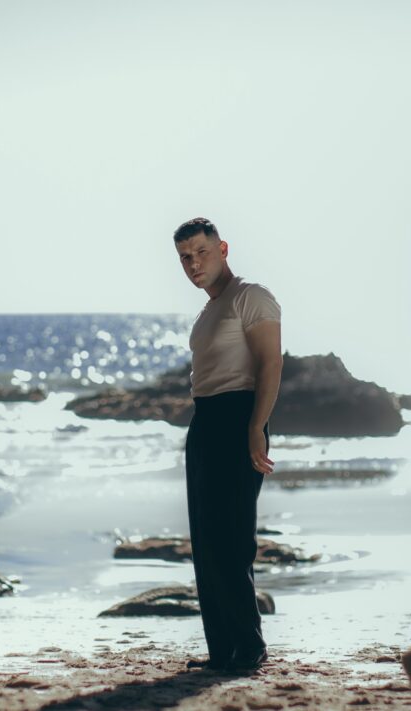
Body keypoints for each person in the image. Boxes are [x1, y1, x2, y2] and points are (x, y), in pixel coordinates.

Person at [173, 217, 283, 673]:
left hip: (239, 419)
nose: (194, 263)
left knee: (232, 537)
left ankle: (250, 646)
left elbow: (270, 363)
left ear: (223, 249)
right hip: (206, 423)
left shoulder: (249, 297)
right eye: (185, 258)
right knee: (206, 541)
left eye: (201, 252)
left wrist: (257, 425)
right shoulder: (206, 313)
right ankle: (222, 651)